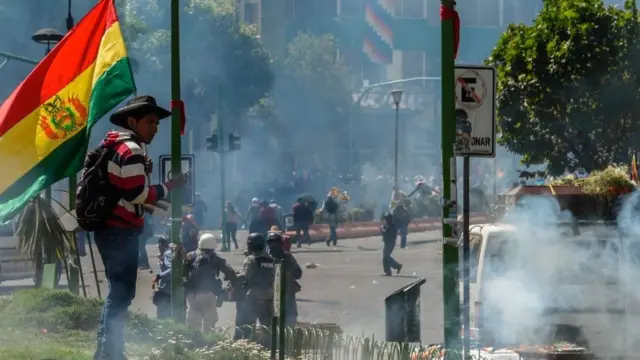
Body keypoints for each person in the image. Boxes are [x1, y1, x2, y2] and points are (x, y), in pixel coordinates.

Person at [87, 95, 186, 360]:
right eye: (151, 121)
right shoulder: (130, 150)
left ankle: (106, 350)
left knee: (117, 293)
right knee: (120, 294)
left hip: (112, 231)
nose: (156, 127)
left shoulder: (119, 148)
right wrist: (169, 187)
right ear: (133, 121)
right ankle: (112, 352)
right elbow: (136, 194)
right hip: (120, 232)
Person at [184, 233, 237, 332]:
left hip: (192, 295)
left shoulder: (191, 256)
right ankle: (209, 344)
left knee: (193, 325)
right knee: (209, 324)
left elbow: (183, 273)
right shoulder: (216, 258)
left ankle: (194, 344)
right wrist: (226, 290)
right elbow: (232, 274)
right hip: (209, 295)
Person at [234, 233, 275, 340]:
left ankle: (243, 345)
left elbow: (245, 276)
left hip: (253, 296)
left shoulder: (251, 259)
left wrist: (232, 276)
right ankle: (269, 349)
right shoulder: (270, 259)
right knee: (267, 327)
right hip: (269, 296)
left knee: (245, 323)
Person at [266, 228, 302, 327]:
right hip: (271, 295)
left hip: (287, 293)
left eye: (276, 243)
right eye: (271, 243)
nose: (273, 246)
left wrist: (288, 271)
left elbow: (298, 273)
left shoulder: (288, 257)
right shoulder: (266, 259)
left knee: (290, 321)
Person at [152, 235, 172, 319]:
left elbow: (172, 269)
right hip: (169, 290)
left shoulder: (167, 254)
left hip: (167, 291)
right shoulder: (168, 253)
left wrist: (159, 276)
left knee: (162, 317)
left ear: (161, 245)